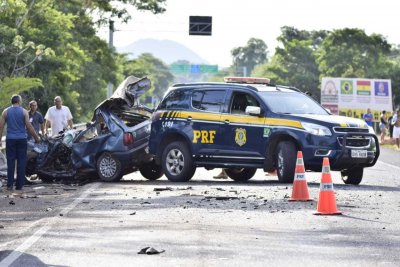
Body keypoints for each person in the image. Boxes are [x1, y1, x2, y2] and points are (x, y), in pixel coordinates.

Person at [0, 95, 40, 194]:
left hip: (10, 140)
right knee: (21, 161)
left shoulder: (6, 112)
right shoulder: (24, 112)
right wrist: (36, 137)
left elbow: (0, 126)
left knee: (10, 162)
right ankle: (19, 185)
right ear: (19, 101)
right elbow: (29, 126)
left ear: (12, 101)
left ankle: (9, 185)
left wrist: (0, 139)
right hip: (22, 139)